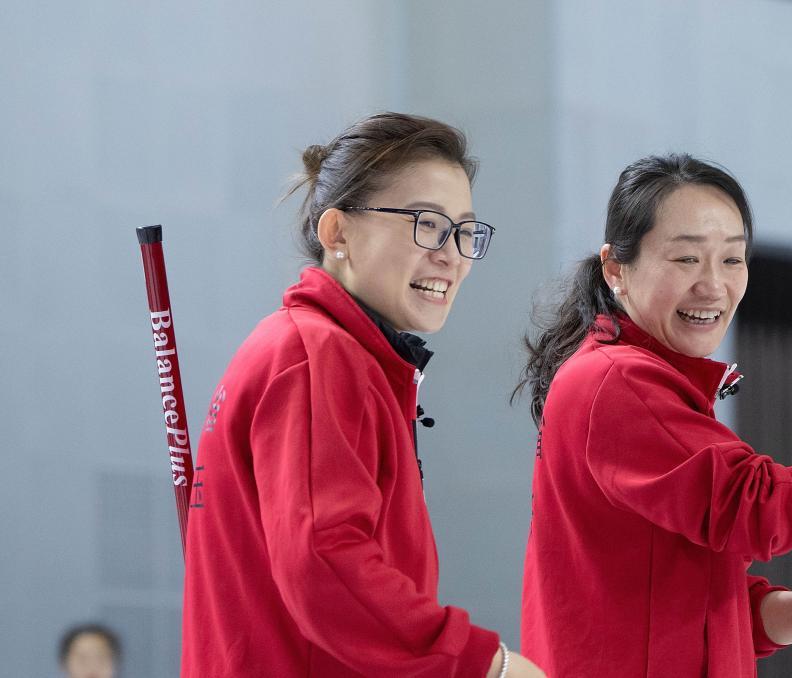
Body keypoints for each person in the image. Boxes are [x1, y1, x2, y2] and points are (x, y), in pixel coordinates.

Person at [516, 154, 792, 677]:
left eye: (731, 259)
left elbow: (709, 610)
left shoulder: (632, 378)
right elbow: (763, 509)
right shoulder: (619, 380)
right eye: (686, 259)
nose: (713, 285)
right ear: (616, 269)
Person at [181, 112, 543, 677]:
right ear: (338, 233)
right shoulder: (316, 356)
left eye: (464, 233)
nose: (451, 255)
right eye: (427, 224)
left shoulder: (324, 352)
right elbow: (324, 561)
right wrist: (479, 665)